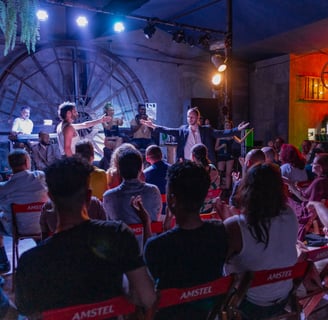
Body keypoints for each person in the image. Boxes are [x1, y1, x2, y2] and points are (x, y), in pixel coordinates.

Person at [15, 156, 157, 317]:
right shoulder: (118, 235)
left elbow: (28, 313)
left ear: (51, 199)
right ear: (89, 197)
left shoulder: (31, 261)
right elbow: (146, 297)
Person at [143, 160, 228, 320]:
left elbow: (148, 290)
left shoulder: (157, 246)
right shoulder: (220, 233)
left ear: (172, 199)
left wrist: (147, 225)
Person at [218, 163, 298, 319]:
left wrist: (223, 223)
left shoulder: (236, 225)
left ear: (247, 189)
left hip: (247, 303)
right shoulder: (289, 214)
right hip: (283, 298)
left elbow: (218, 260)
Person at [141, 107, 249, 164]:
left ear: (198, 118)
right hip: (186, 161)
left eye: (192, 117)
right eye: (188, 117)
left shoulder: (206, 130)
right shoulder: (183, 130)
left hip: (202, 162)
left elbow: (220, 133)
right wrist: (153, 126)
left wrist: (236, 130)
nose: (190, 119)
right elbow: (167, 130)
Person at [0, 149, 48, 273]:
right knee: (36, 218)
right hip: (43, 226)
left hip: (17, 229)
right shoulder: (40, 178)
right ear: (27, 162)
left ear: (10, 165)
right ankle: (43, 252)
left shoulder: (4, 188)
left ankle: (3, 262)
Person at [103, 146, 162, 224]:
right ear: (140, 168)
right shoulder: (153, 191)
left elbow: (109, 222)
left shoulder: (108, 197)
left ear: (119, 170)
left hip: (121, 236)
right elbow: (156, 217)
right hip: (150, 236)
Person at [286, 153, 328, 240]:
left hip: (307, 211)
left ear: (320, 167)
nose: (311, 165)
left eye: (314, 163)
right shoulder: (323, 180)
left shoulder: (319, 182)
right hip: (319, 212)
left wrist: (290, 184)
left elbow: (306, 200)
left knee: (285, 200)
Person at [40, 196, 107, 240]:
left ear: (50, 195)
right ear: (88, 193)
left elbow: (44, 235)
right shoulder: (95, 203)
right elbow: (105, 227)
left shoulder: (47, 207)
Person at [215, 121, 253, 190]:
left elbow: (240, 141)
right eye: (226, 125)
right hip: (221, 155)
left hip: (229, 155)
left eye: (229, 126)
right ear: (224, 126)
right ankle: (218, 187)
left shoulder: (232, 136)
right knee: (219, 173)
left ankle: (227, 188)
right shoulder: (220, 136)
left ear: (231, 127)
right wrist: (221, 146)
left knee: (228, 173)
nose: (227, 127)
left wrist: (248, 133)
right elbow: (216, 148)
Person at [191, 143, 220, 213]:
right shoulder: (213, 169)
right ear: (206, 155)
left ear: (193, 156)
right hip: (210, 208)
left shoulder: (192, 171)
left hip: (195, 211)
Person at [143, 145, 170, 215]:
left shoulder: (145, 174)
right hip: (172, 210)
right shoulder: (173, 169)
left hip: (154, 212)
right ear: (161, 155)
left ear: (147, 158)